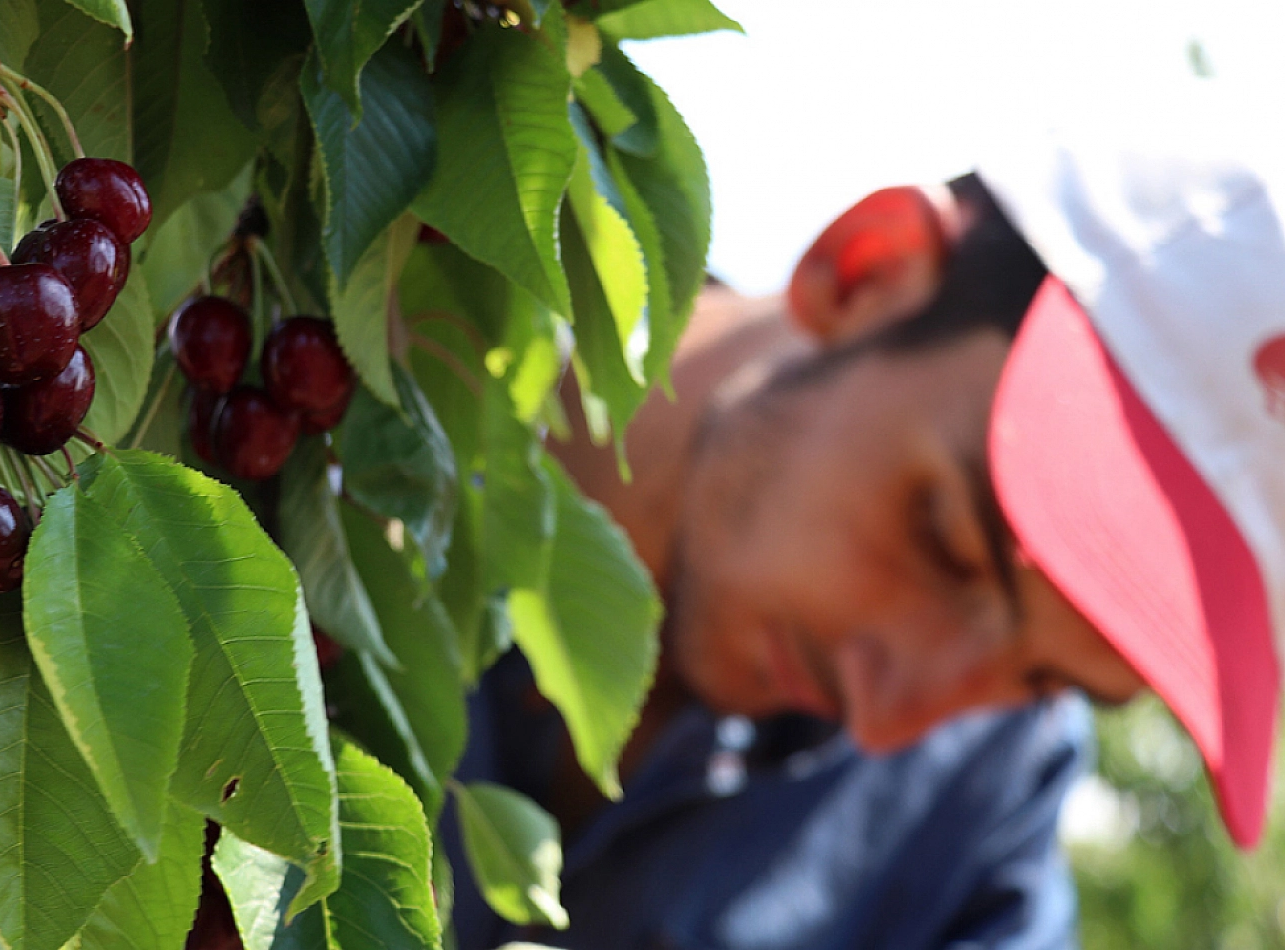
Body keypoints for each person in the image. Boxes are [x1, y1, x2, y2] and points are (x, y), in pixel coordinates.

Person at [450, 99, 1285, 949]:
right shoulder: (348, 357)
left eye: (1041, 678)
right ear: (866, 271)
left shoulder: (983, 793)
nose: (888, 718)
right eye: (947, 543)